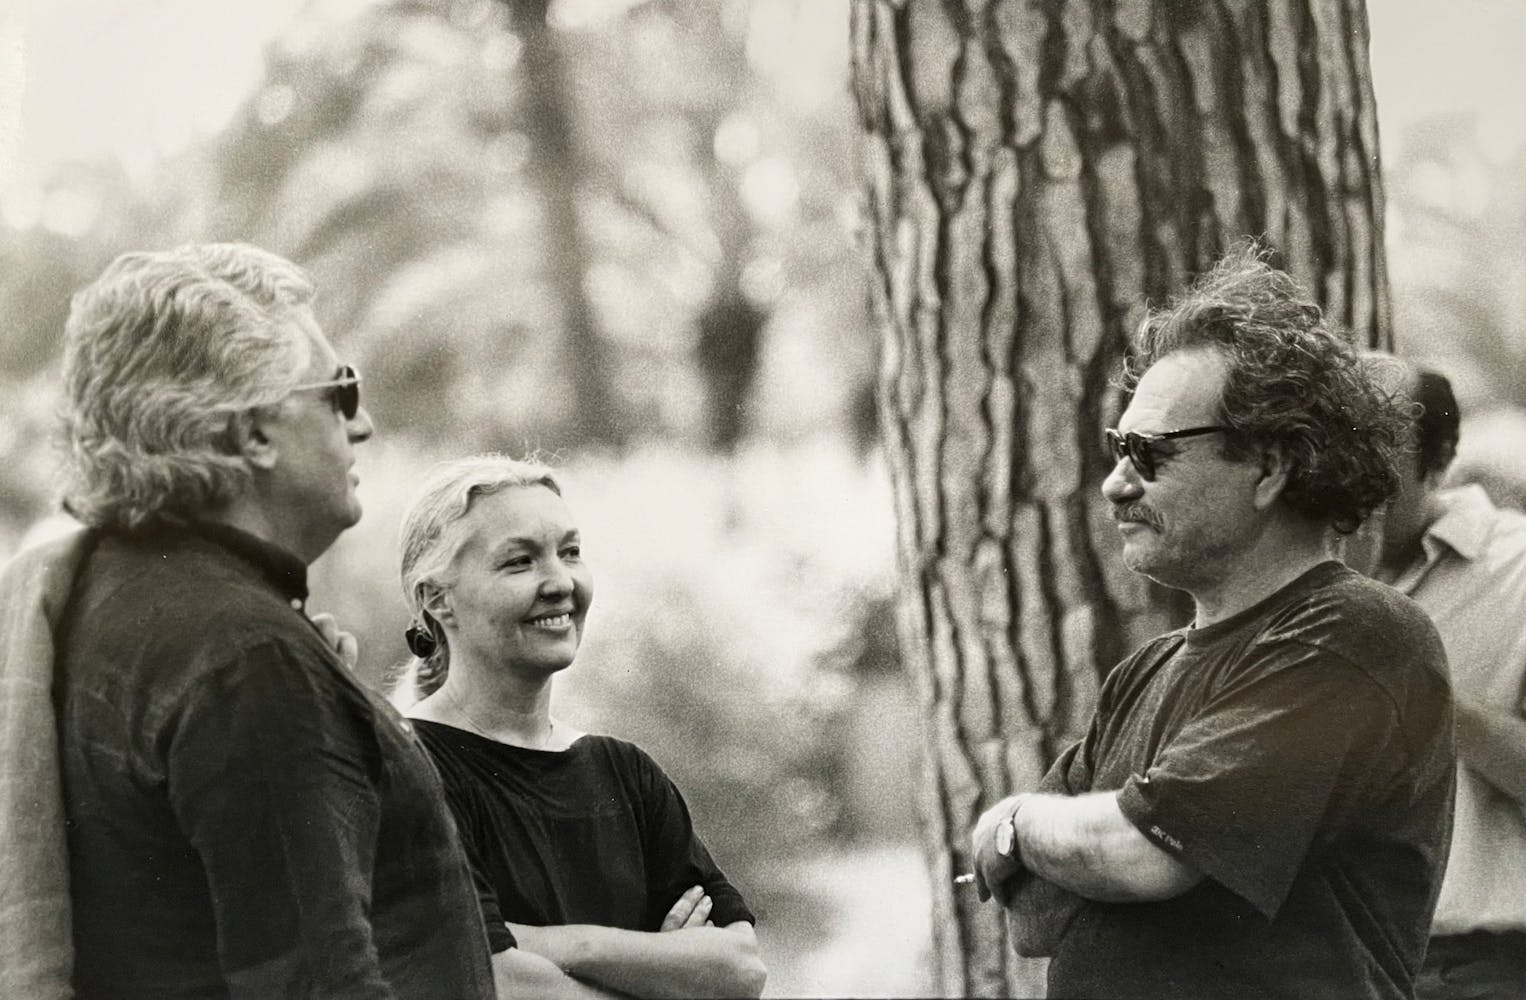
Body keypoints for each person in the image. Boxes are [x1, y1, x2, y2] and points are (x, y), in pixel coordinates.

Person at [969, 244, 1455, 999]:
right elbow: (1031, 919)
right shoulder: (1144, 672)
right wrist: (1065, 840)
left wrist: (1013, 821)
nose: (1114, 483)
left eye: (1149, 453)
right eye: (1116, 449)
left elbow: (1139, 857)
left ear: (1269, 467)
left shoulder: (1355, 634)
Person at [49, 244, 496, 999]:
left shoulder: (107, 595)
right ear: (252, 432)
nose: (364, 426)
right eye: (339, 392)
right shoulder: (246, 659)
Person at [393, 454, 767, 1000]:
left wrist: (553, 945)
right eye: (519, 562)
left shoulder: (626, 773)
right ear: (437, 599)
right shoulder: (404, 768)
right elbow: (495, 983)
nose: (560, 582)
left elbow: (739, 969)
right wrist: (659, 973)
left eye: (570, 552)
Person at [1370, 363, 1526, 1000]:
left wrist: (1428, 697)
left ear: (1438, 460)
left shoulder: (1517, 570)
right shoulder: (1275, 572)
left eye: (1375, 450)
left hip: (1468, 970)